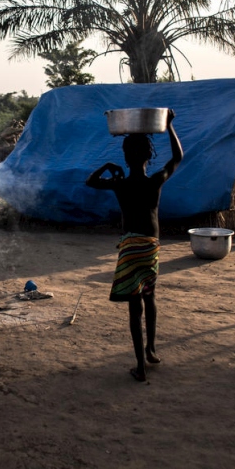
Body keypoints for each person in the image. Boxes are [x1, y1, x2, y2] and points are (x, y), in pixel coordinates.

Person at [85, 109, 183, 382]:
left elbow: (90, 181)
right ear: (149, 156)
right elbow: (177, 157)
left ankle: (140, 364)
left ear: (125, 157)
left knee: (134, 307)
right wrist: (170, 125)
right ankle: (151, 349)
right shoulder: (155, 182)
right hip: (151, 246)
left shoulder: (120, 184)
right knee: (150, 297)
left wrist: (107, 165)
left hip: (130, 248)